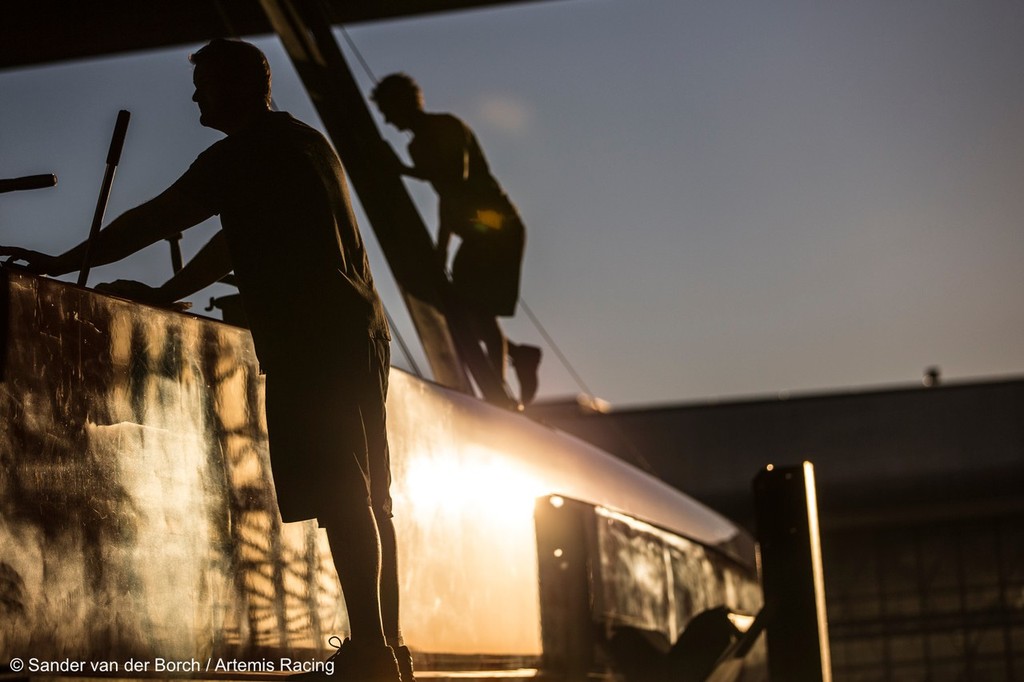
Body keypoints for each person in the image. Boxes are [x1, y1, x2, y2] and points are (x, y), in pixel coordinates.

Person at [1, 40, 411, 682]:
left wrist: (59, 263)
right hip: (359, 330)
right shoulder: (303, 144)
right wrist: (165, 293)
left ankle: (370, 656)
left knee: (338, 488)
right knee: (369, 495)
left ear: (238, 88)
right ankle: (387, 645)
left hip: (310, 338)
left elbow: (159, 216)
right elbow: (234, 236)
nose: (195, 98)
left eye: (205, 86)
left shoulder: (243, 153)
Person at [370, 73, 541, 406]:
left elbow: (454, 179)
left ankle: (500, 389)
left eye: (389, 112)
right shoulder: (417, 145)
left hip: (497, 225)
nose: (389, 122)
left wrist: (402, 171)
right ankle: (518, 357)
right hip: (478, 229)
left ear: (403, 103)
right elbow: (447, 198)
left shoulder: (445, 127)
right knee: (465, 310)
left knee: (480, 309)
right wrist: (441, 248)